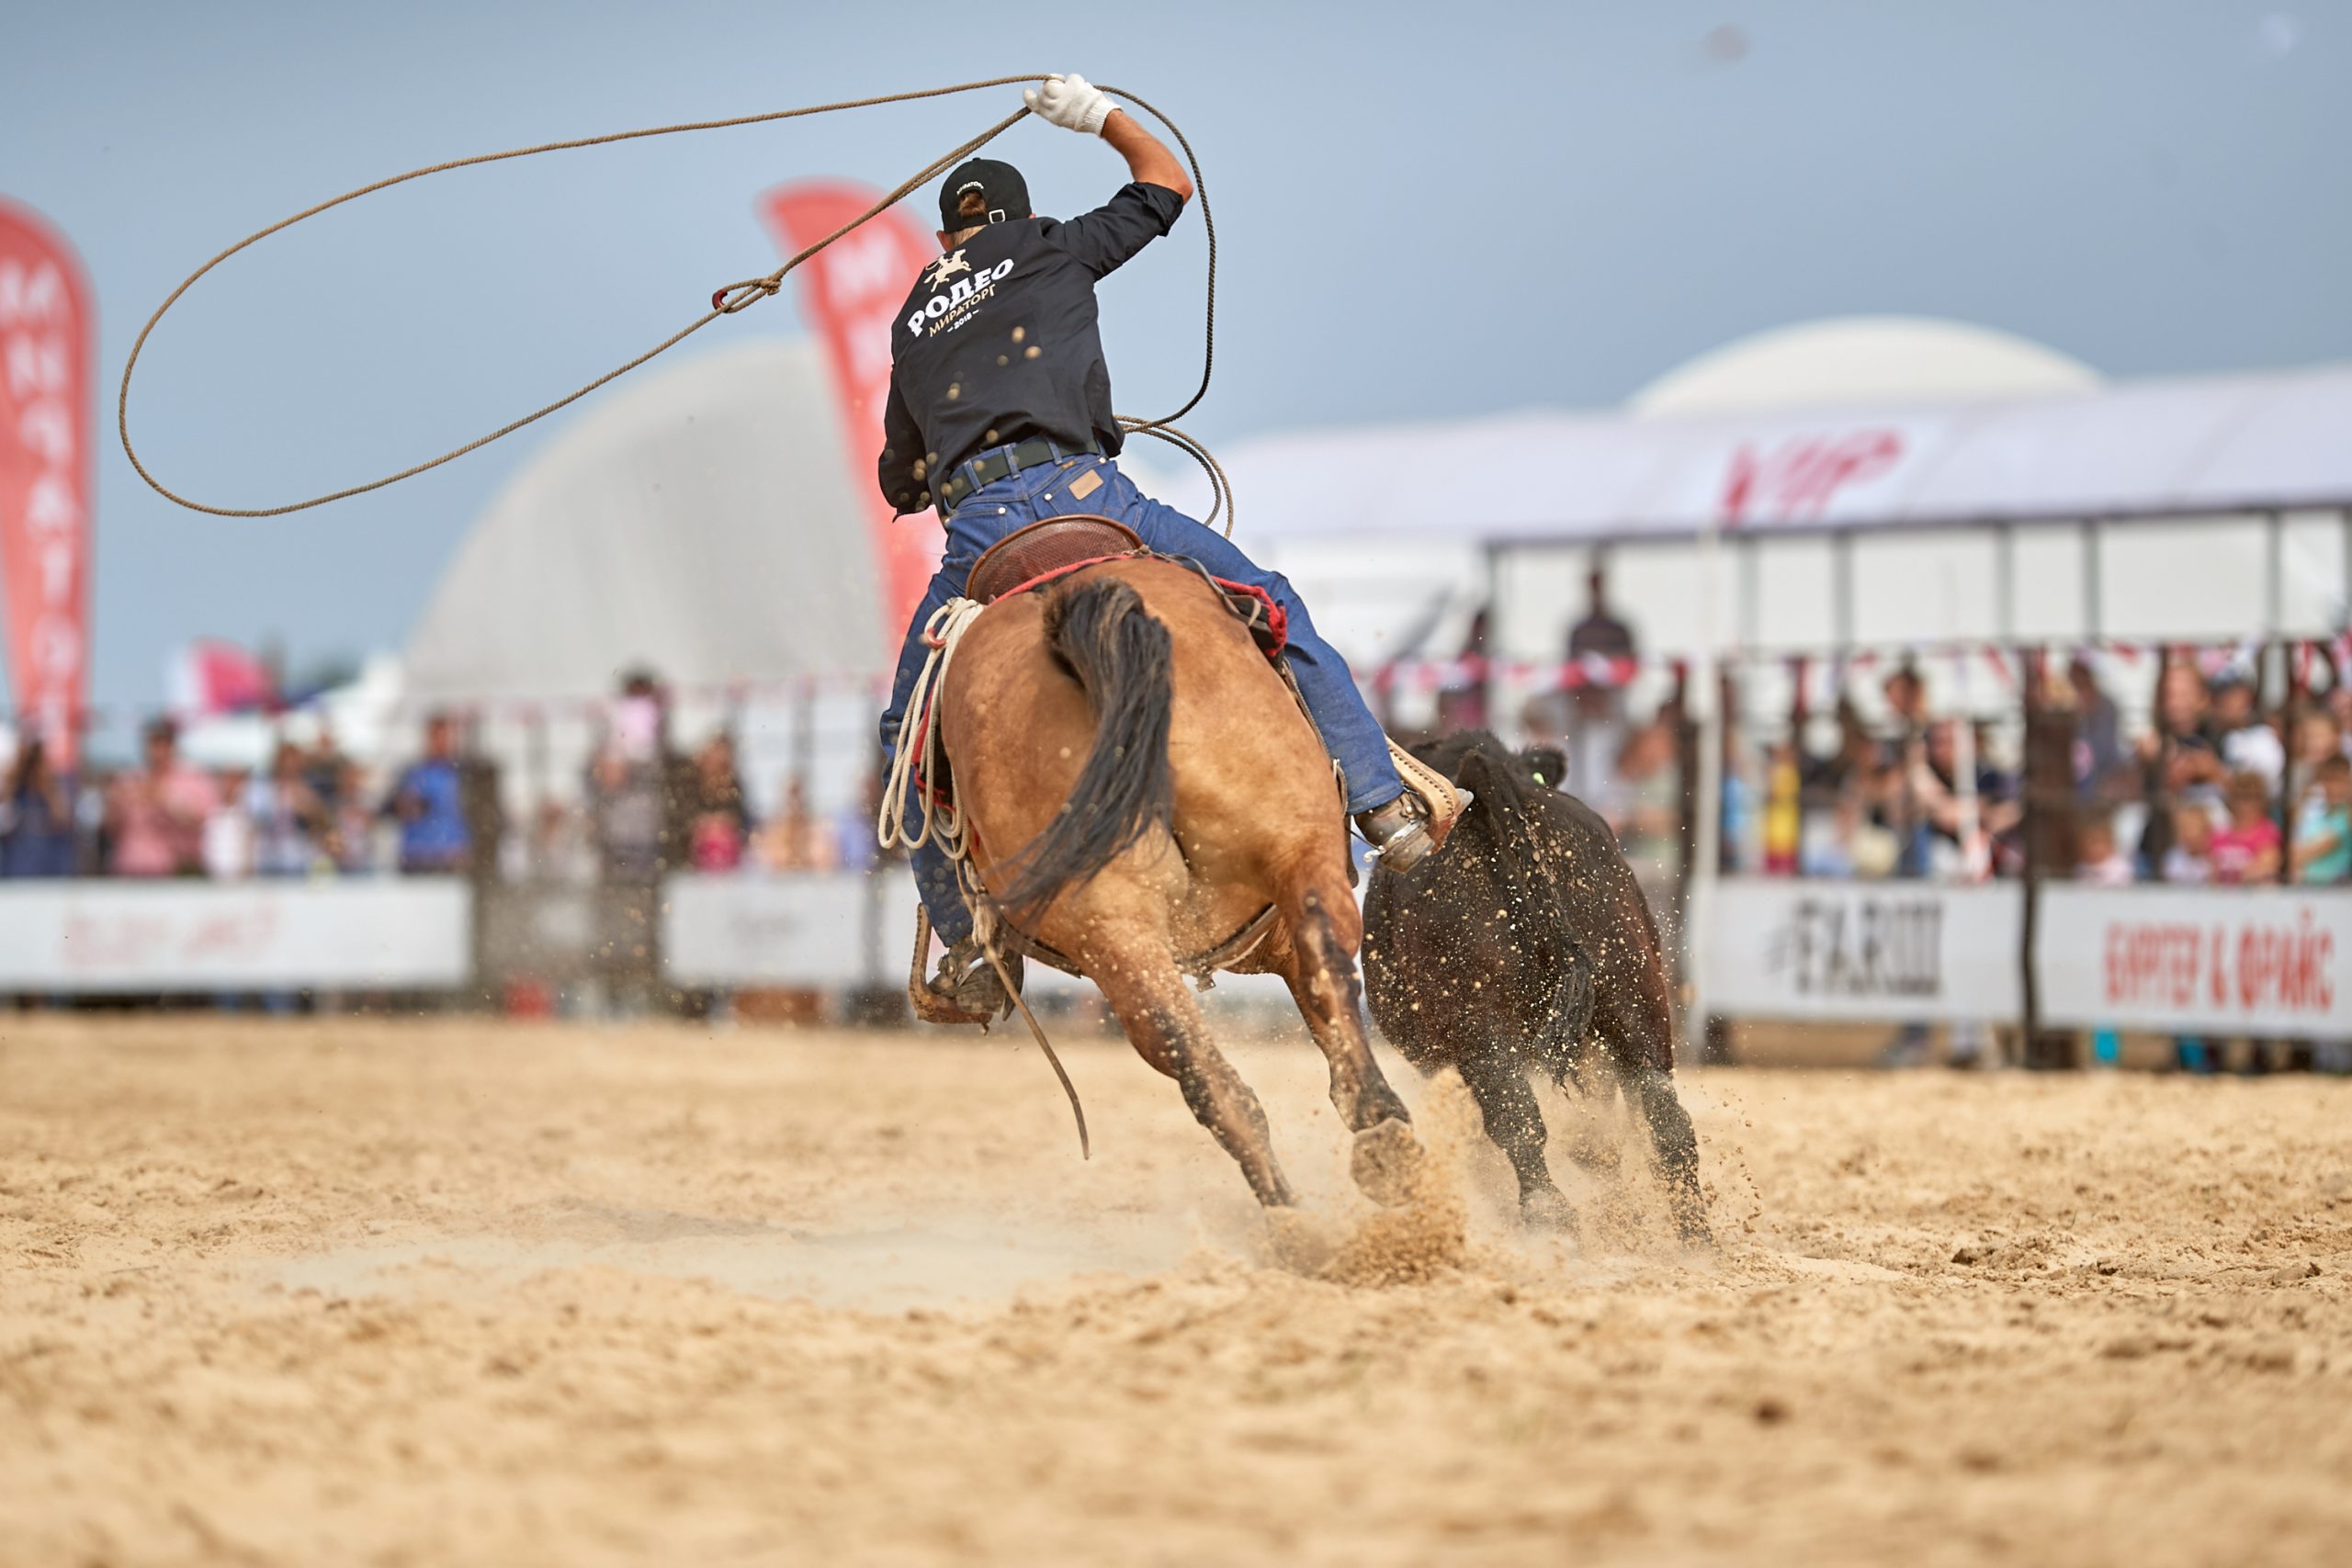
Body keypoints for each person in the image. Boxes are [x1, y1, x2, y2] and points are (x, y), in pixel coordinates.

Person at [874, 73, 1449, 1009]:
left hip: (980, 541)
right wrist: (1098, 115)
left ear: (945, 240)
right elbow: (1165, 180)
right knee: (1271, 604)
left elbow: (900, 478)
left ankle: (971, 948)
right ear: (1020, 217)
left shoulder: (911, 320)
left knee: (908, 740)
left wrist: (935, 460)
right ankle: (1381, 805)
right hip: (1090, 496)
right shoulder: (1052, 248)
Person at [106, 718, 218, 877]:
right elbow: (111, 829)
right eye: (151, 744)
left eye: (161, 744)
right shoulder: (128, 780)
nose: (156, 751)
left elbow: (200, 822)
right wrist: (115, 804)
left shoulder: (194, 779)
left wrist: (162, 798)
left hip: (174, 873)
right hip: (129, 872)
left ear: (172, 746)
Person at [386, 714, 471, 874]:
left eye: (446, 737)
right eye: (436, 737)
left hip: (454, 857)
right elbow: (388, 809)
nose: (441, 743)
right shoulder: (412, 773)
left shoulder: (464, 774)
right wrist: (404, 806)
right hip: (417, 858)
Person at [0, 739, 78, 878]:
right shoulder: (16, 795)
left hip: (49, 873)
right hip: (17, 873)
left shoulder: (54, 795)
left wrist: (48, 787)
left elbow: (63, 823)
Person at [2209, 769, 2282, 885]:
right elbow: (2211, 872)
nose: (2246, 804)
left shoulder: (2268, 831)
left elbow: (2266, 867)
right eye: (2240, 797)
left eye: (2253, 797)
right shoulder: (2220, 833)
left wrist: (2232, 875)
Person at [2291, 755, 2352, 885]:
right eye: (2328, 780)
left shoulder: (2347, 818)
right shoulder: (2315, 818)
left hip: (2336, 890)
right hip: (2306, 889)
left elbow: (2302, 854)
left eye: (2340, 781)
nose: (2333, 787)